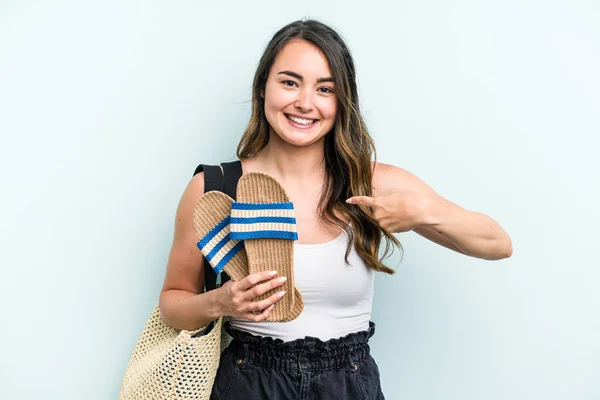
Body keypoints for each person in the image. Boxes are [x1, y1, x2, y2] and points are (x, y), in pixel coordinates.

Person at [158, 19, 512, 400]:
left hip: (347, 384)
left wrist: (424, 213)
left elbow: (497, 243)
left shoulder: (371, 183)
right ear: (263, 87)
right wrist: (220, 302)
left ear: (342, 101)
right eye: (289, 82)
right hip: (248, 383)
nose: (305, 103)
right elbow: (172, 304)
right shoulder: (215, 188)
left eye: (324, 89)